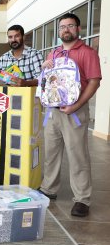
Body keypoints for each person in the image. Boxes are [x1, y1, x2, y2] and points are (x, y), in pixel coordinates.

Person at [38, 13, 101, 217]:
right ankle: (49, 188)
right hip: (53, 112)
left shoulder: (87, 52)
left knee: (77, 155)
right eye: (62, 27)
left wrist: (77, 105)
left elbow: (94, 81)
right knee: (51, 153)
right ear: (59, 31)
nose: (66, 29)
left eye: (70, 26)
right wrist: (43, 70)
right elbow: (46, 82)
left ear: (78, 29)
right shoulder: (53, 54)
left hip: (75, 111)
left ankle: (82, 198)